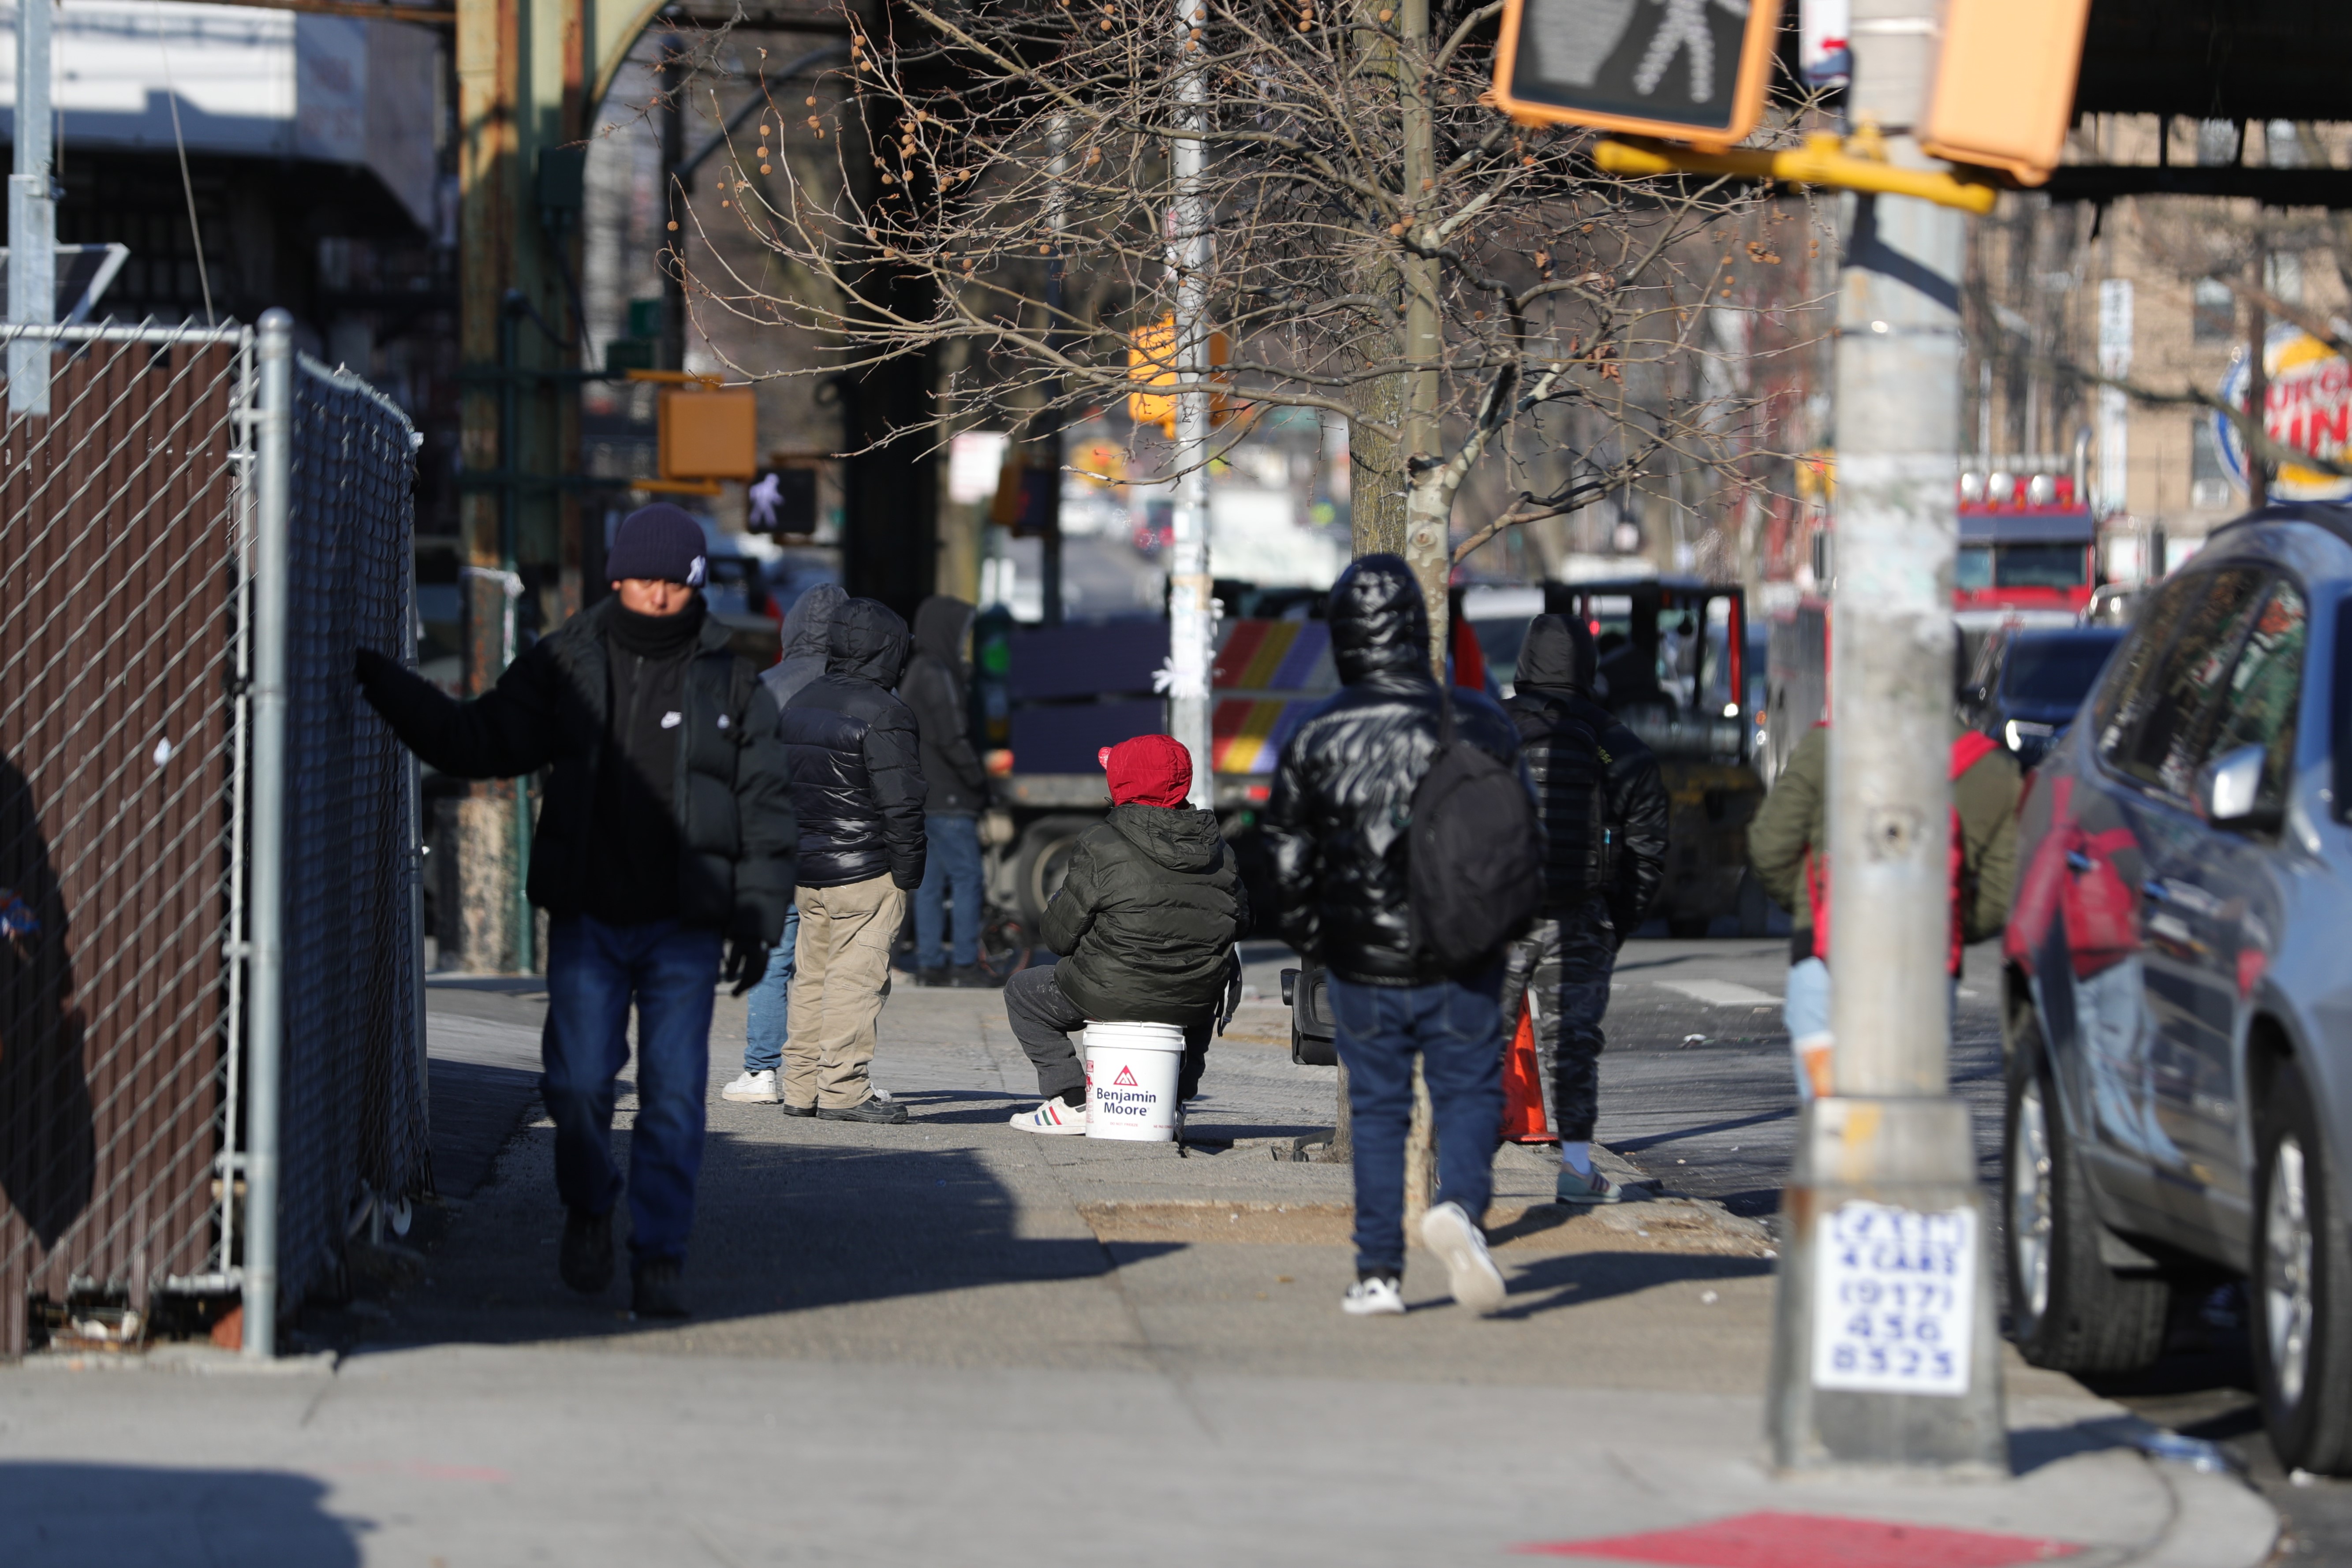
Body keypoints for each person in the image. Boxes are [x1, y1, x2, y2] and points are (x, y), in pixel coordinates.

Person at [355, 503, 795, 1318]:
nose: (658, 594)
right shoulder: (565, 663)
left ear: (695, 584)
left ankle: (659, 1257)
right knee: (580, 1086)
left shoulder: (732, 680)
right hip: (590, 917)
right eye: (644, 579)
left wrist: (758, 915)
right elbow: (475, 741)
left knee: (672, 1096)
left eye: (674, 582)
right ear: (617, 578)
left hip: (684, 925)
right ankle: (589, 1204)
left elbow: (766, 804)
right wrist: (385, 682)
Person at [1262, 554, 1524, 1318]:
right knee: (1468, 1089)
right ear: (1417, 629)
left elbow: (1285, 858)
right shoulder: (1481, 719)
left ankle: (1377, 1273)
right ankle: (1461, 1207)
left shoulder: (1315, 733)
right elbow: (1522, 838)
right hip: (1463, 950)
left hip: (1362, 961)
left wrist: (1318, 936)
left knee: (1378, 1112)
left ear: (1343, 637)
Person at [1748, 718, 2018, 1099]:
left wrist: (1816, 908)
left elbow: (1769, 849)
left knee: (1833, 1121)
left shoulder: (1826, 746)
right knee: (1906, 1121)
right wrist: (1948, 922)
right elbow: (2000, 895)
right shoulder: (1993, 770)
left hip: (1824, 969)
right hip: (1926, 979)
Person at [1497, 615, 1669, 1205]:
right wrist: (1611, 923)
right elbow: (1648, 849)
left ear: (1524, 664)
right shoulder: (1619, 745)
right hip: (1580, 918)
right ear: (1588, 668)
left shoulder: (1485, 730)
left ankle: (1456, 1170)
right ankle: (1575, 1169)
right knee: (1571, 1046)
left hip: (1497, 916)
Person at [1002, 734, 1246, 1133]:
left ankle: (1073, 1100)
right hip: (1192, 997)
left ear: (1121, 782)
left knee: (1023, 993)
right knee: (1204, 1000)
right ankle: (1172, 1102)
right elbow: (1242, 922)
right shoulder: (1220, 849)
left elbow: (1058, 938)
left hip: (1108, 992)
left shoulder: (1100, 843)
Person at [777, 597, 926, 1123]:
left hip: (809, 869)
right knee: (855, 981)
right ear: (890, 650)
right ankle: (843, 1090)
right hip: (866, 869)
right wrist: (907, 874)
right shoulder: (886, 712)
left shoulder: (800, 702)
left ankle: (800, 1088)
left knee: (810, 978)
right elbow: (901, 804)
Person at [723, 583, 846, 1105]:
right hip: (839, 845)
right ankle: (825, 1074)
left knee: (773, 956)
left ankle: (762, 1070)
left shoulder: (762, 686)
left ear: (791, 628)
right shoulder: (857, 689)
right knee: (835, 963)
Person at [901, 595, 993, 987]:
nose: (965, 642)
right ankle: (966, 964)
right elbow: (954, 735)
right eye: (963, 632)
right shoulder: (938, 673)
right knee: (968, 878)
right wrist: (980, 782)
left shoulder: (917, 671)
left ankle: (931, 964)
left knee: (930, 883)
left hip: (926, 795)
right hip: (951, 796)